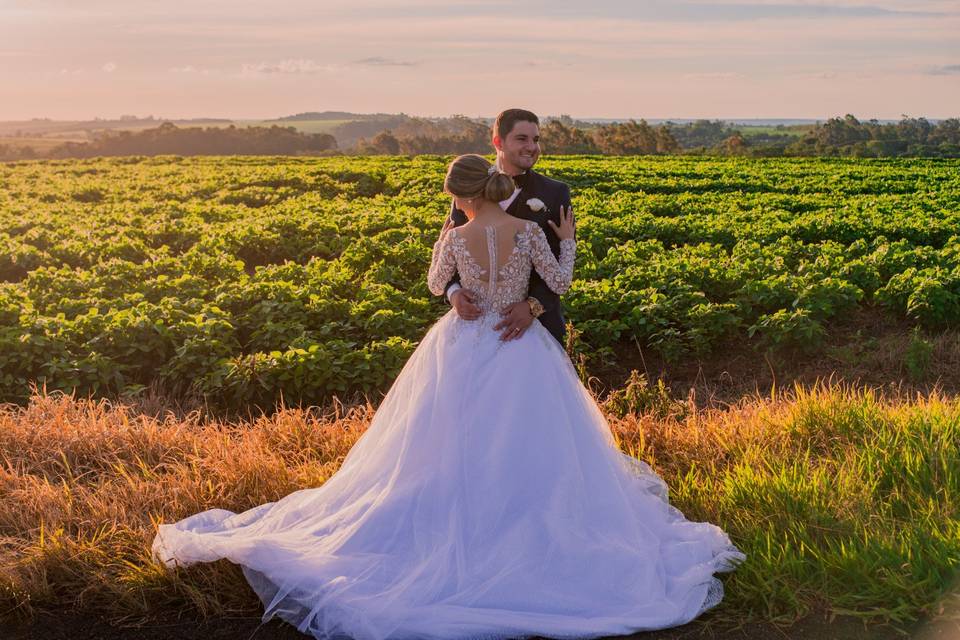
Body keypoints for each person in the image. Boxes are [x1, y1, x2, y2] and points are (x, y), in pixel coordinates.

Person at [152, 154, 746, 640]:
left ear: (459, 197)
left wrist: (458, 285)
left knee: (445, 439)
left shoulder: (457, 236)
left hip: (464, 343)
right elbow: (559, 284)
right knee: (528, 440)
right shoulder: (528, 230)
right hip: (521, 346)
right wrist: (566, 243)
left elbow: (438, 282)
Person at [444, 108, 571, 345]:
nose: (532, 147)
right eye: (522, 139)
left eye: (536, 139)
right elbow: (451, 252)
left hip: (536, 331)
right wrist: (454, 294)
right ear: (497, 142)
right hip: (474, 331)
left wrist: (532, 306)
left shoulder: (555, 193)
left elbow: (557, 258)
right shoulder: (467, 190)